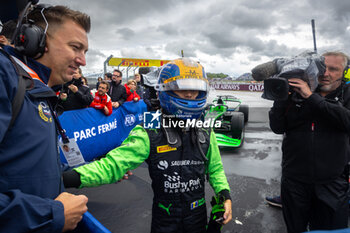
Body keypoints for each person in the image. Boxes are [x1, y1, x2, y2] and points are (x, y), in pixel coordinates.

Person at [63, 58, 232, 233]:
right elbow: (113, 165)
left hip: (198, 216)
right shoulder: (149, 128)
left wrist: (225, 196)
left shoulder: (205, 130)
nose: (190, 95)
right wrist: (68, 178)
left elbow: (215, 169)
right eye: (182, 89)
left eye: (195, 90)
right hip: (166, 219)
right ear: (165, 91)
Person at [0, 4, 90, 232]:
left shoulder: (38, 90)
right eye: (75, 47)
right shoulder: (5, 77)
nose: (82, 61)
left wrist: (79, 176)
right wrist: (52, 215)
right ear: (35, 40)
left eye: (85, 52)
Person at [269, 51, 350, 232]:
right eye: (323, 67)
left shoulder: (347, 94)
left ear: (344, 71)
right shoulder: (296, 92)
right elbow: (277, 127)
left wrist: (312, 98)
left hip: (332, 183)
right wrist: (281, 99)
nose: (326, 73)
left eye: (333, 69)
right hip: (294, 182)